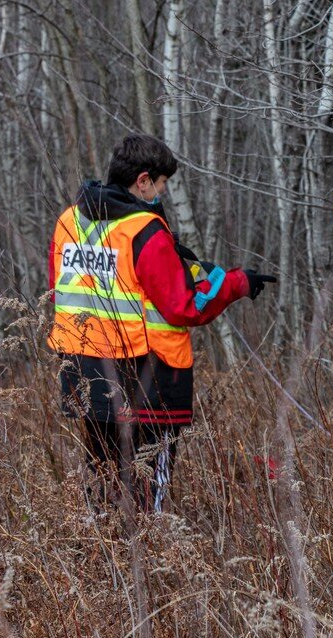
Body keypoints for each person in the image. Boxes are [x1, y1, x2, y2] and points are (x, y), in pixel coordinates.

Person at [47, 133, 277, 514]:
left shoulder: (69, 221)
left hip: (84, 374)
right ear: (143, 180)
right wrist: (237, 284)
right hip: (147, 378)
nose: (162, 193)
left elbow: (58, 291)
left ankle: (103, 562)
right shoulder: (145, 231)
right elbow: (185, 307)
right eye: (161, 184)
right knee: (146, 487)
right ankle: (144, 564)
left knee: (101, 481)